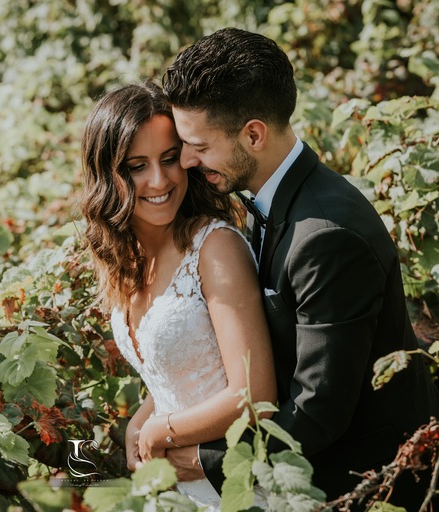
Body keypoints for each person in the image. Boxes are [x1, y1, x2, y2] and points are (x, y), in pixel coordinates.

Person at [161, 27, 439, 509]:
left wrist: (203, 460)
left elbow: (319, 409)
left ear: (253, 134)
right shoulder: (269, 198)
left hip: (369, 484)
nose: (187, 160)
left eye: (199, 145)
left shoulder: (326, 237)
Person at [80, 81, 277, 509]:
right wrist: (141, 419)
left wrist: (161, 430)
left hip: (237, 486)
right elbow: (181, 369)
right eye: (136, 166)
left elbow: (253, 396)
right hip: (181, 489)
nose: (158, 179)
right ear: (106, 175)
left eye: (170, 159)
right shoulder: (126, 260)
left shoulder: (215, 248)